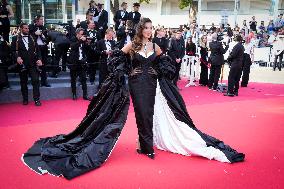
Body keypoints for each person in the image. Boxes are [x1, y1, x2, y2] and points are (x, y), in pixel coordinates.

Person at [22, 18, 245, 180]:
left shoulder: (156, 45)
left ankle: (145, 145)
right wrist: (128, 72)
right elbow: (117, 58)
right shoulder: (133, 44)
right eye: (146, 28)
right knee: (140, 113)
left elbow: (164, 62)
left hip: (152, 84)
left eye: (151, 28)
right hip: (137, 84)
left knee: (149, 112)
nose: (149, 31)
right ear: (141, 29)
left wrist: (159, 71)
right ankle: (145, 145)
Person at [11, 23, 42, 106]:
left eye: (28, 28)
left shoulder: (32, 38)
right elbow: (13, 51)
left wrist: (39, 59)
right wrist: (17, 57)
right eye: (25, 28)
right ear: (21, 29)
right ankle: (25, 99)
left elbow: (38, 50)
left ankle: (37, 99)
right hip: (22, 64)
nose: (27, 30)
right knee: (23, 82)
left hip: (32, 64)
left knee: (35, 81)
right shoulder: (15, 39)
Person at [68, 28, 91, 101]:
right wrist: (81, 40)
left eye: (83, 34)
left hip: (82, 62)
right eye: (81, 34)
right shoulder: (73, 39)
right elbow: (73, 47)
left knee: (84, 79)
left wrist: (88, 43)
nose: (82, 36)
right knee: (73, 80)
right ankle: (74, 94)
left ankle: (85, 95)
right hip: (74, 63)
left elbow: (88, 50)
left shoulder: (83, 41)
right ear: (77, 34)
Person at [29, 15, 51, 87]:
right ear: (37, 20)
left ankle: (44, 81)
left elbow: (47, 38)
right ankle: (36, 81)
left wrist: (46, 41)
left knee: (44, 64)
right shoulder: (31, 26)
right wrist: (35, 34)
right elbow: (28, 37)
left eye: (42, 19)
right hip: (35, 48)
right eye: (41, 19)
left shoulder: (44, 27)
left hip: (43, 48)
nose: (42, 21)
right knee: (35, 65)